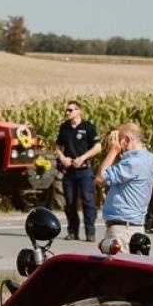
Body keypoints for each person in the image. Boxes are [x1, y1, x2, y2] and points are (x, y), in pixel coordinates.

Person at [96, 122, 153, 240]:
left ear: (127, 140)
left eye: (118, 140)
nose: (116, 144)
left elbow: (101, 178)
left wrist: (113, 151)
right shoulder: (150, 158)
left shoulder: (133, 162)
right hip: (134, 226)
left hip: (122, 230)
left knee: (117, 259)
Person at [55, 100, 101, 240]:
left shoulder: (88, 127)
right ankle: (73, 231)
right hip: (69, 171)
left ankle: (90, 232)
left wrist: (83, 158)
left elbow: (98, 148)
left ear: (78, 111)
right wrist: (63, 158)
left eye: (71, 110)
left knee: (88, 201)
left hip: (84, 170)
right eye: (67, 110)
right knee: (70, 202)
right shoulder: (64, 127)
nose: (67, 112)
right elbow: (58, 147)